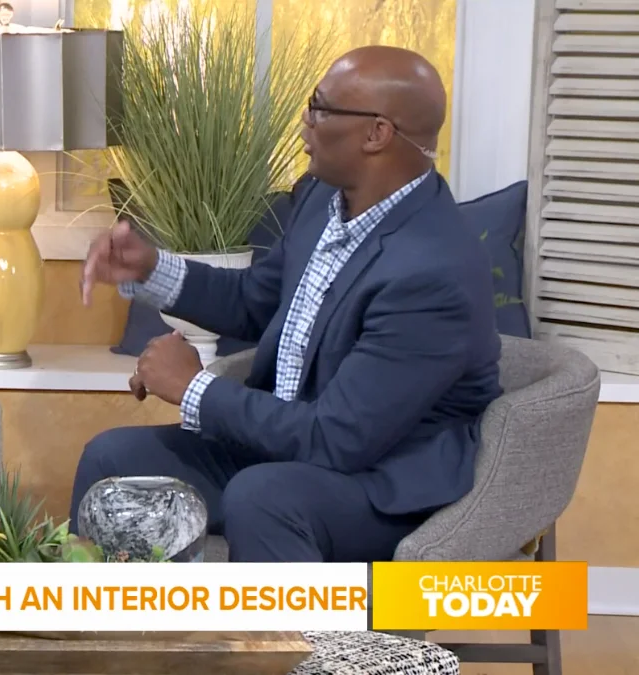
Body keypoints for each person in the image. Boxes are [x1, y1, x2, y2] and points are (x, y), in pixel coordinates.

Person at [74, 46, 503, 563]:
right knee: (113, 460)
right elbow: (257, 302)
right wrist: (149, 267)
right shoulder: (323, 201)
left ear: (376, 134)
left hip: (381, 483)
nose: (305, 120)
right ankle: (120, 639)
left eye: (320, 107)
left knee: (264, 498)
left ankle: (289, 647)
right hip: (286, 446)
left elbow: (338, 439)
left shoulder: (433, 270)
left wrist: (194, 389)